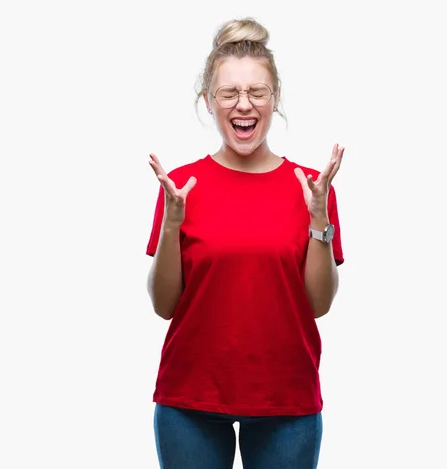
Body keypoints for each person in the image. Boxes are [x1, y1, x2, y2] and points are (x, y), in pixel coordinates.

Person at [146, 17, 344, 469]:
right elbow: (163, 305)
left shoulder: (313, 188)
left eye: (257, 92)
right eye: (229, 92)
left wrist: (319, 219)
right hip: (189, 399)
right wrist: (170, 226)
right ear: (208, 101)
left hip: (287, 401)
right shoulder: (180, 187)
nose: (244, 105)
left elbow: (318, 304)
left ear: (275, 99)